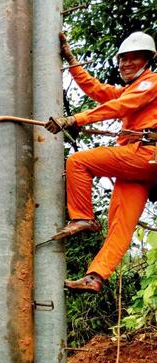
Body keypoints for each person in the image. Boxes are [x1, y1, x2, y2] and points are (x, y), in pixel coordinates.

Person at [46, 31, 157, 293]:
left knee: (78, 162)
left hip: (145, 155)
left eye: (133, 59)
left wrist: (75, 119)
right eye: (122, 60)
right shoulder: (131, 88)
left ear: (147, 61)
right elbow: (97, 90)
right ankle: (95, 277)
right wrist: (72, 61)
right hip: (139, 167)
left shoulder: (150, 83)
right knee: (120, 225)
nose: (126, 64)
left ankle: (84, 217)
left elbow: (119, 107)